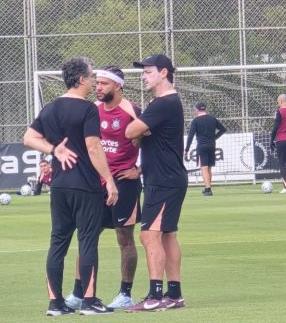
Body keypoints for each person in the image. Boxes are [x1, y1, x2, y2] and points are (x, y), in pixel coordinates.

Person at [23, 57, 118, 316]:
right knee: (87, 242)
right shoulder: (89, 109)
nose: (93, 82)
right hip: (85, 186)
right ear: (80, 79)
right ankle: (89, 301)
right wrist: (109, 180)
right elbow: (93, 146)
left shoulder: (51, 108)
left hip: (60, 186)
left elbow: (29, 137)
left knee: (58, 243)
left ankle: (55, 304)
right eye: (91, 77)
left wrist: (54, 149)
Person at [64, 66, 142, 310]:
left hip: (125, 184)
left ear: (118, 86)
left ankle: (125, 293)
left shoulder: (132, 112)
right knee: (87, 237)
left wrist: (141, 170)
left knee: (124, 238)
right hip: (96, 184)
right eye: (96, 83)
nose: (97, 88)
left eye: (104, 84)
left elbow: (157, 142)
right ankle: (79, 292)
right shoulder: (93, 111)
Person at [124, 54, 188, 312]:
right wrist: (141, 131)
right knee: (167, 236)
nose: (143, 76)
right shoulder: (162, 103)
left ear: (164, 73)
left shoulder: (163, 103)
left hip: (164, 180)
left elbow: (130, 133)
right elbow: (138, 139)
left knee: (148, 235)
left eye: (148, 71)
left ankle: (154, 297)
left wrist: (138, 129)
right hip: (165, 178)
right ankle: (174, 295)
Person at [185, 102, 227, 196]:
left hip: (202, 146)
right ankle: (208, 187)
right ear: (205, 109)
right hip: (212, 145)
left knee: (203, 168)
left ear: (197, 110)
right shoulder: (212, 119)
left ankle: (208, 189)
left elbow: (190, 136)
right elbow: (223, 129)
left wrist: (186, 149)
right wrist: (214, 137)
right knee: (209, 168)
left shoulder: (196, 121)